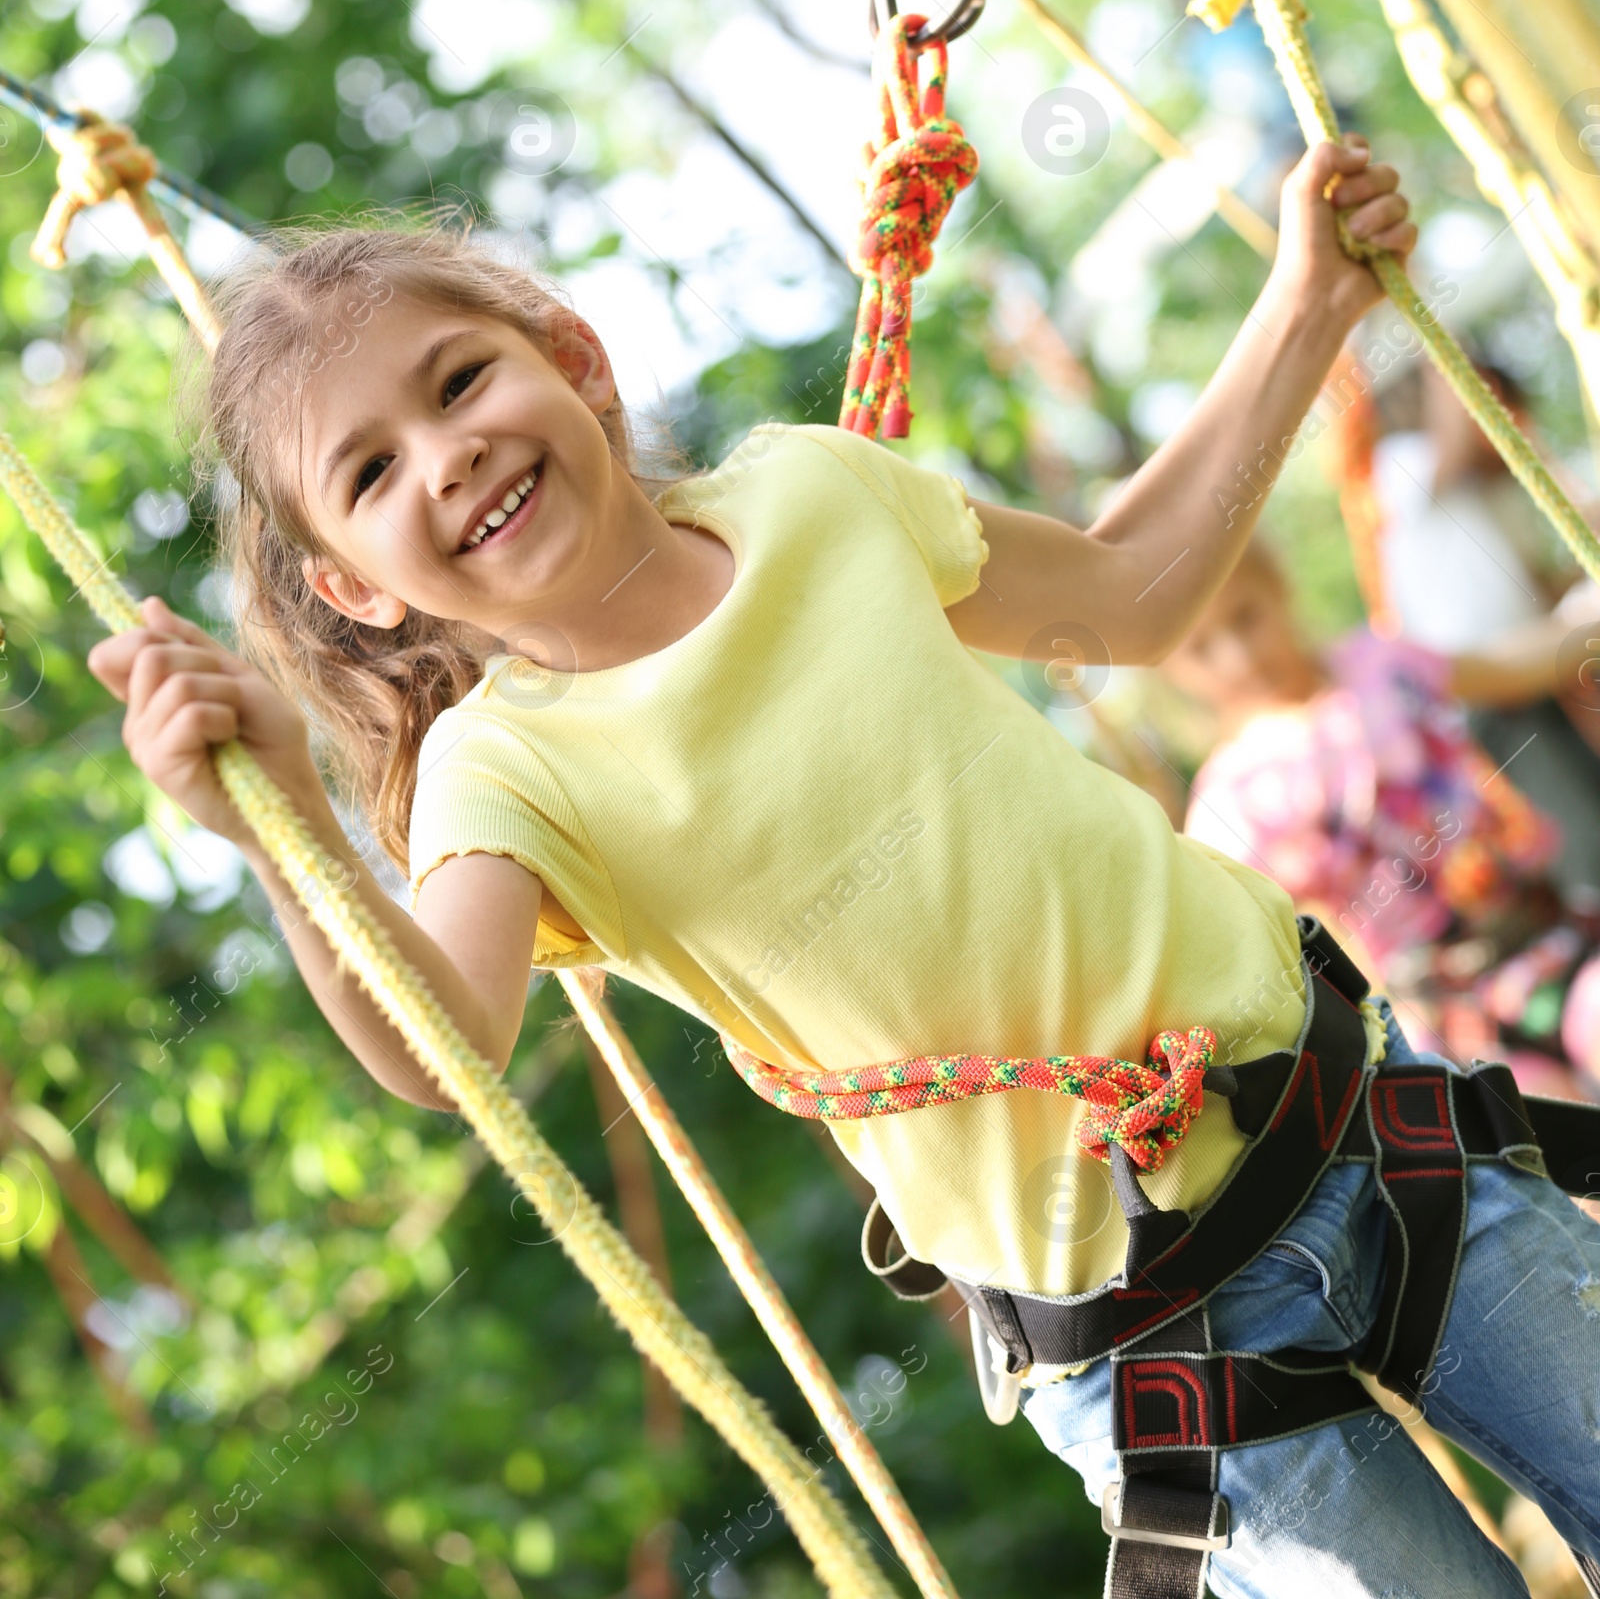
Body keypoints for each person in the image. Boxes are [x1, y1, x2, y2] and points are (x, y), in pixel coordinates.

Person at [86, 139, 1600, 1596]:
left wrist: (1306, 304)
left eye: (463, 380)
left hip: (1358, 1134)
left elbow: (1129, 593)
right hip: (1148, 1336)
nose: (450, 450)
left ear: (575, 358)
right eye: (370, 469)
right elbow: (447, 1045)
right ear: (355, 588)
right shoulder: (507, 772)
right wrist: (282, 829)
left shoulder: (810, 495)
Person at [1168, 541, 1600, 1094]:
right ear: (1173, 669)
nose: (1238, 657)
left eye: (1245, 617)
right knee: (1557, 1149)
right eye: (1200, 648)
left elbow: (1509, 667)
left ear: (1277, 587)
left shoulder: (1380, 666)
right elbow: (1238, 944)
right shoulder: (1233, 798)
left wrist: (1584, 626)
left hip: (1544, 934)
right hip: (1449, 1015)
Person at [1372, 357, 1600, 891]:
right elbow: (1451, 439)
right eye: (1489, 405)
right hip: (1487, 690)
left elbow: (1545, 588)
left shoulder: (1490, 497)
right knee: (1578, 815)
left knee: (1588, 787)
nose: (1506, 420)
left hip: (1537, 672)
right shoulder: (1402, 465)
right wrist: (1445, 362)